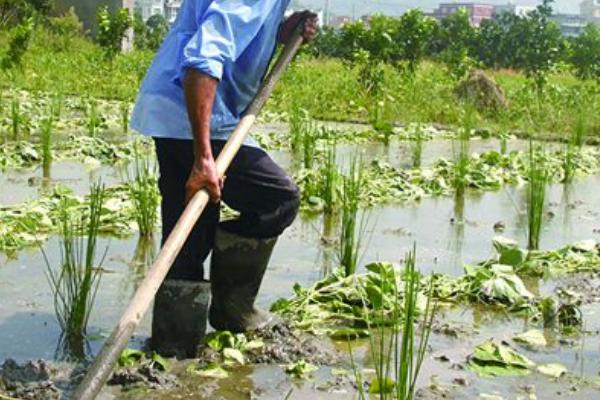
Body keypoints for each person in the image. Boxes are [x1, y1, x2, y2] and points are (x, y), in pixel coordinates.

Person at [130, 0, 318, 358]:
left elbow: (236, 32)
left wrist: (281, 30)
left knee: (188, 233)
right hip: (194, 111)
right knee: (277, 199)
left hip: (172, 109)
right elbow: (203, 59)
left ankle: (174, 346)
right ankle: (232, 309)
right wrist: (203, 158)